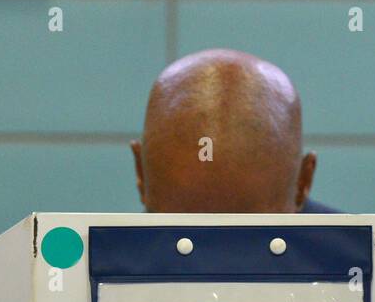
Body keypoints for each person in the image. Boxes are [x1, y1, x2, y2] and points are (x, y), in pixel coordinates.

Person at [131, 49, 338, 214]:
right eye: (186, 224)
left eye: (246, 229)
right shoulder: (354, 259)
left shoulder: (364, 260)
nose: (217, 253)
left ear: (302, 183)